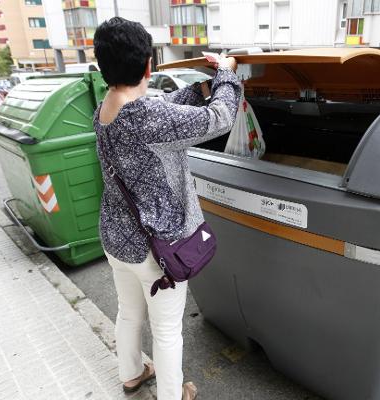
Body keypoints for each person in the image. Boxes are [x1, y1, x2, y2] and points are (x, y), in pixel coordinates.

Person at [92, 17, 240, 399]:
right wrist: (226, 75)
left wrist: (202, 86)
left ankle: (132, 373)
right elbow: (220, 118)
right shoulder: (148, 118)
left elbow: (164, 107)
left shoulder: (105, 108)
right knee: (166, 330)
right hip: (157, 250)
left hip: (118, 240)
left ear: (101, 65)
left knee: (129, 312)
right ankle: (174, 395)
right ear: (148, 65)